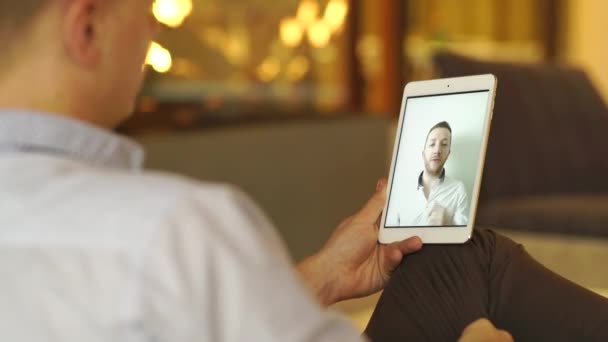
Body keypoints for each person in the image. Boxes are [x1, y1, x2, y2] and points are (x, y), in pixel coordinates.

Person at [0, 1, 603, 342]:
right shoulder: (174, 229)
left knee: (455, 255)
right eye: (145, 7)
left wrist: (322, 277)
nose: (155, 25)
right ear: (86, 29)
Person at [391, 121, 469, 226]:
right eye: (432, 144)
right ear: (423, 153)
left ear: (448, 153)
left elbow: (461, 237)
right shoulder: (400, 190)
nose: (437, 150)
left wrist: (446, 224)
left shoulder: (458, 190)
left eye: (444, 144)